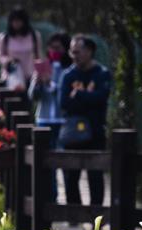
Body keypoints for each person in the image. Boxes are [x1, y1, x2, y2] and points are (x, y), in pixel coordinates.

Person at [59, 34, 111, 207]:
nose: (74, 55)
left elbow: (101, 98)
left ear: (89, 51)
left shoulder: (102, 74)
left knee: (95, 174)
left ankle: (96, 215)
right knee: (70, 175)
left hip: (96, 131)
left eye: (78, 51)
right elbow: (64, 103)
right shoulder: (67, 75)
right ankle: (74, 213)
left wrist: (79, 95)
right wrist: (88, 99)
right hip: (73, 132)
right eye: (71, 52)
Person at [28, 31, 72, 200]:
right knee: (46, 164)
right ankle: (51, 200)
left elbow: (65, 94)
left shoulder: (69, 69)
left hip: (63, 121)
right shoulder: (42, 67)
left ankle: (70, 201)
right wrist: (38, 83)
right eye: (52, 47)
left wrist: (51, 84)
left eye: (58, 48)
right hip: (44, 120)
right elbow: (32, 96)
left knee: (66, 162)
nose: (54, 50)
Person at [0, 7, 40, 91]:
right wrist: (8, 61)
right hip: (11, 77)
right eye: (13, 20)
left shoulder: (34, 36)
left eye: (19, 20)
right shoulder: (4, 37)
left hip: (29, 77)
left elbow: (38, 56)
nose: (16, 23)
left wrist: (39, 74)